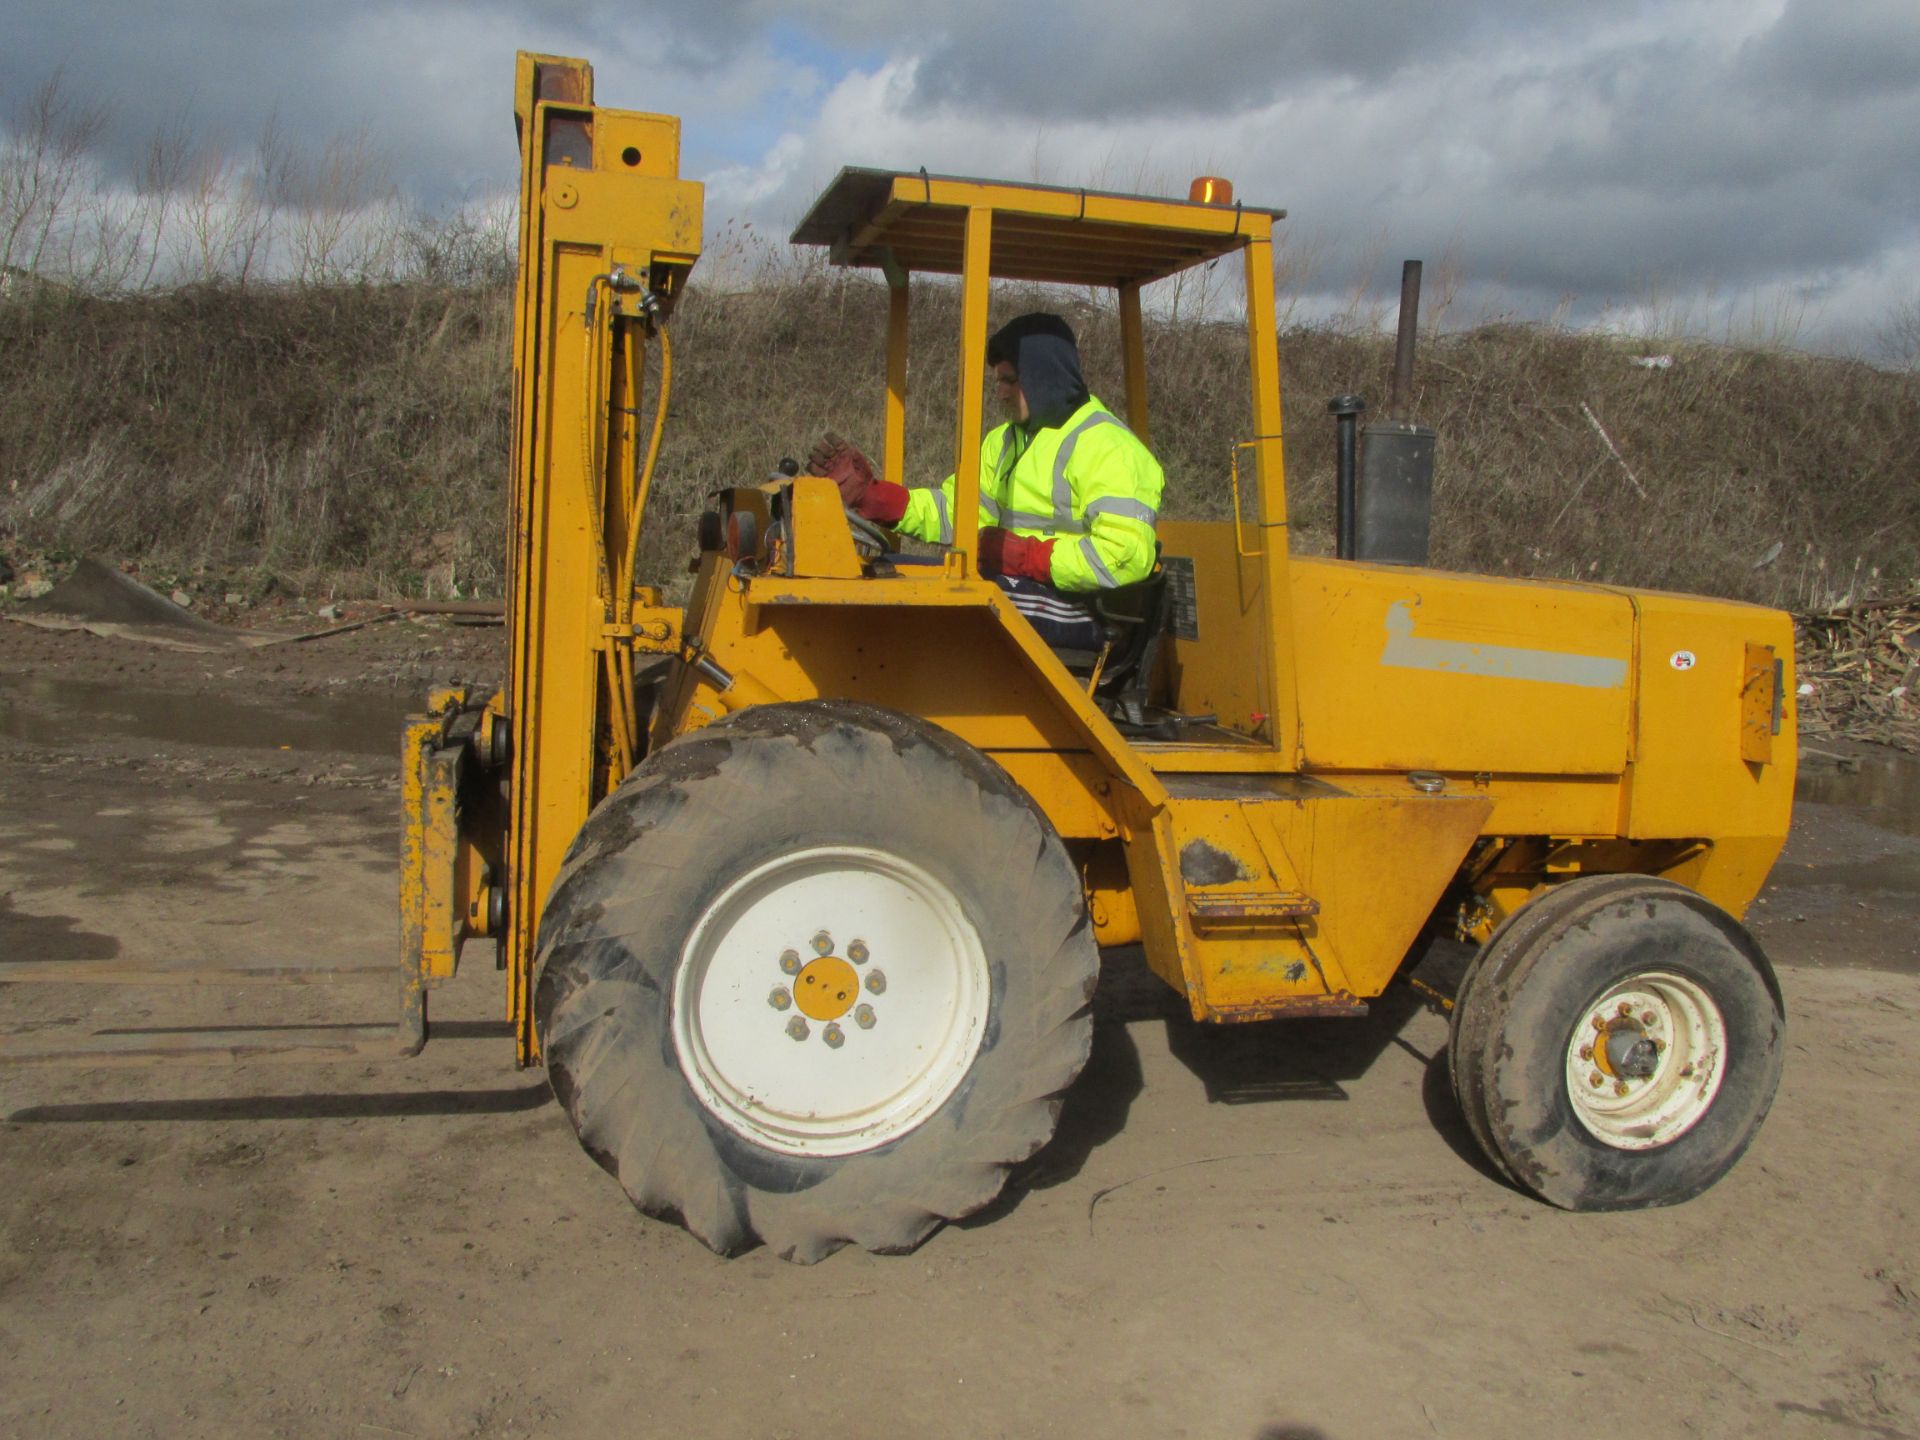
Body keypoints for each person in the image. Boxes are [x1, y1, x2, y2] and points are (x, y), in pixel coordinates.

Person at [808, 312, 1163, 648]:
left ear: (1044, 374)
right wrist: (878, 499)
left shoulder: (1109, 448)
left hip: (1092, 612)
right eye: (998, 382)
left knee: (936, 608)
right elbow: (959, 515)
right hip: (1025, 588)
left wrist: (1026, 557)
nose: (1001, 393)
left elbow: (1124, 556)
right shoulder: (1004, 442)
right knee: (883, 578)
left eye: (1010, 380)